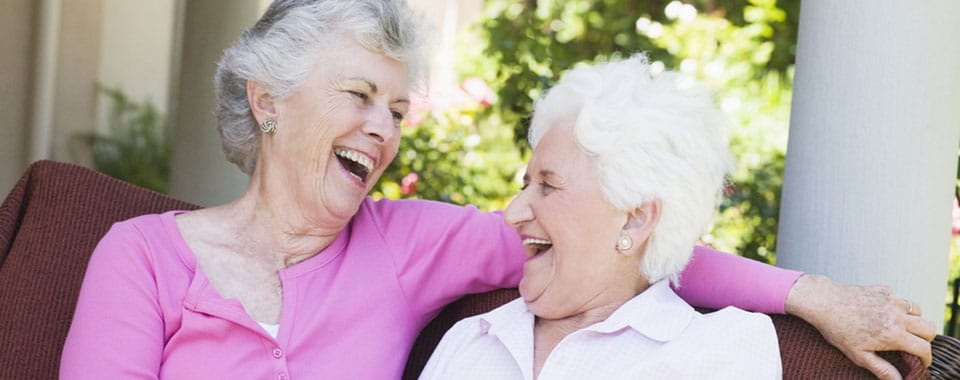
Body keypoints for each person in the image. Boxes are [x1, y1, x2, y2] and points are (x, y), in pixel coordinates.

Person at [58, 1, 935, 379]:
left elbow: (624, 244)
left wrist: (813, 294)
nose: (385, 128)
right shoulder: (142, 258)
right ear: (269, 102)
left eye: (398, 109)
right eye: (359, 96)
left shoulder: (407, 244)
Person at [421, 56, 778, 379]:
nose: (512, 213)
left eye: (548, 186)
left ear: (635, 220)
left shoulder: (719, 350)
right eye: (526, 184)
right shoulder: (472, 337)